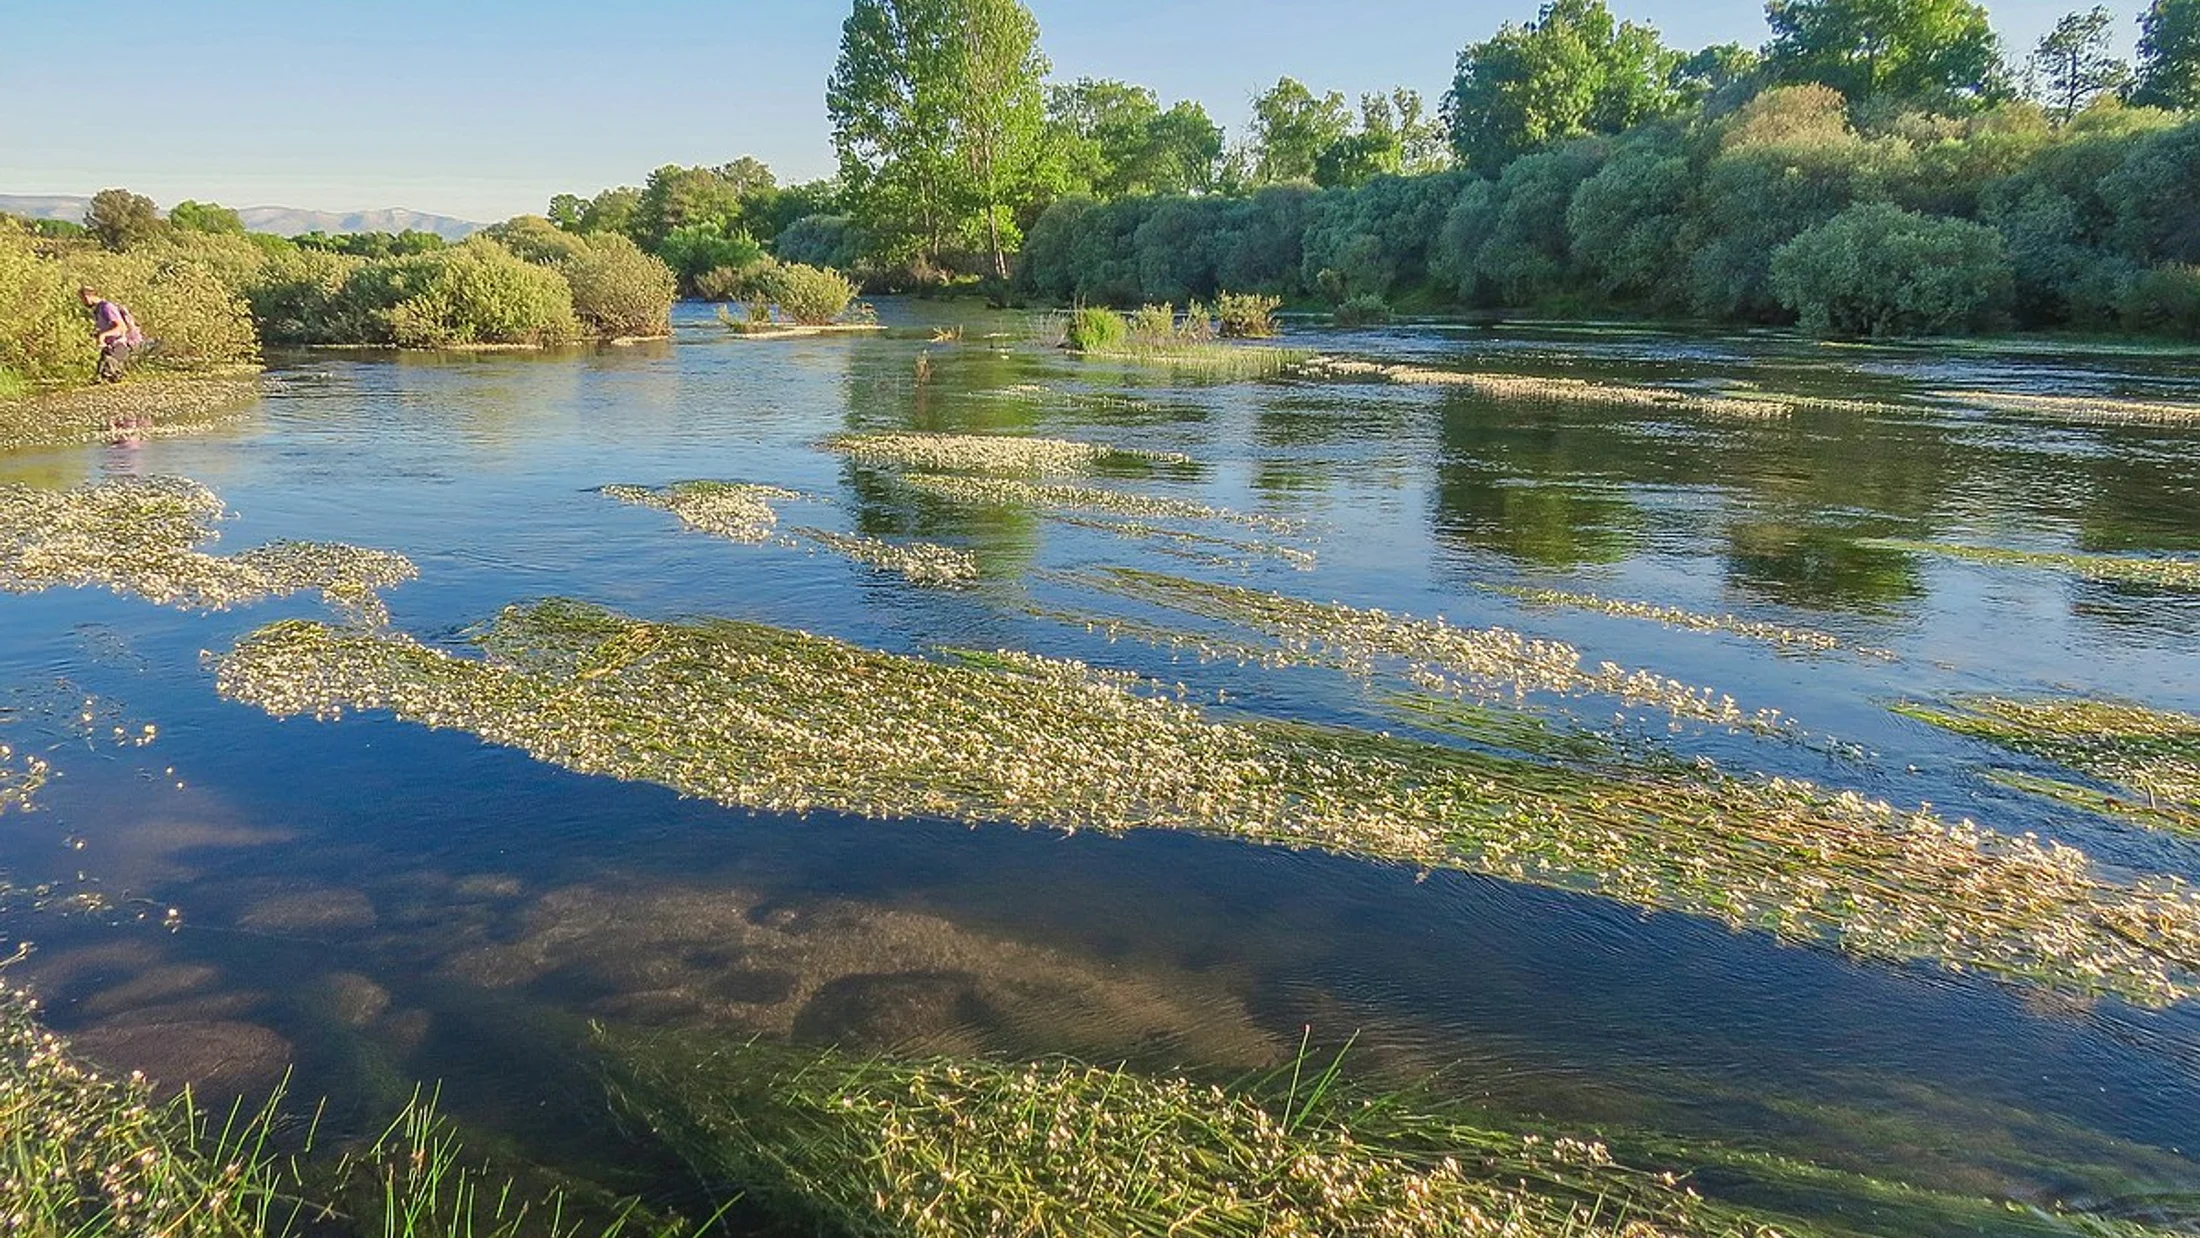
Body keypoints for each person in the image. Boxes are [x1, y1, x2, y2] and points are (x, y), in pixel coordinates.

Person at [80, 286, 143, 383]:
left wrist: (103, 335)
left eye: (82, 298)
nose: (82, 302)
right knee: (100, 378)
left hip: (120, 345)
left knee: (108, 375)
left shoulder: (106, 307)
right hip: (110, 348)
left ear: (88, 296)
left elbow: (121, 328)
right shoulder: (98, 310)